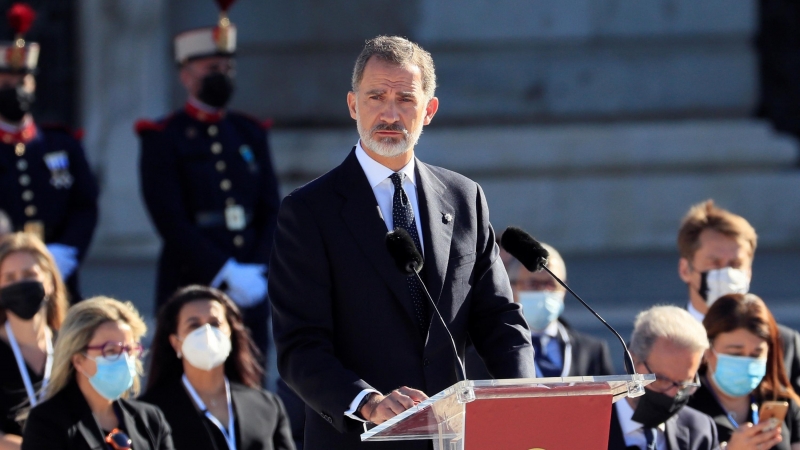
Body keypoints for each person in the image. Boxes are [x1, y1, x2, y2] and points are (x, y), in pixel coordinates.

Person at [269, 35, 535, 450]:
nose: (390, 113)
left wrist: (524, 399)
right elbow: (299, 347)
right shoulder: (309, 212)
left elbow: (498, 318)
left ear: (428, 110)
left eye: (405, 99)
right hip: (360, 438)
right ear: (354, 105)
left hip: (452, 438)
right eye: (376, 96)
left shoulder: (465, 198)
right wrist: (369, 402)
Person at [135, 0, 280, 359]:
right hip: (192, 277)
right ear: (186, 75)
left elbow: (270, 207)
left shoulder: (248, 132)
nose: (222, 74)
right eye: (212, 67)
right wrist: (224, 270)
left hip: (252, 280)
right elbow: (169, 219)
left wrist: (257, 270)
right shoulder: (163, 137)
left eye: (228, 67)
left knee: (252, 375)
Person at [0, 3, 99, 302]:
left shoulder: (62, 144)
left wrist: (66, 252)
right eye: (6, 84)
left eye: (24, 82)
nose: (17, 90)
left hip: (60, 275)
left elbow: (86, 205)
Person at [140, 285, 294, 450]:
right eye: (194, 325)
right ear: (175, 342)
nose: (207, 332)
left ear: (230, 333)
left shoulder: (266, 406)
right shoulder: (149, 413)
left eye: (215, 323)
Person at [677, 200, 800, 395]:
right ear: (686, 269)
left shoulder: (782, 342)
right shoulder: (664, 341)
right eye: (715, 263)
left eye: (736, 264)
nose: (727, 272)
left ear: (748, 271)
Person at [20, 296, 174, 449]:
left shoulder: (150, 420)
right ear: (79, 360)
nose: (125, 359)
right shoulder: (47, 422)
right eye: (111, 351)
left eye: (129, 350)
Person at [466, 242, 615, 379]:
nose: (544, 291)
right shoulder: (482, 354)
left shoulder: (592, 351)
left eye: (551, 284)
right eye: (533, 284)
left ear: (564, 288)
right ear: (512, 287)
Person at [687, 293, 800, 450]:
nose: (746, 362)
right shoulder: (685, 406)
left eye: (756, 354)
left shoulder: (781, 401)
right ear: (707, 350)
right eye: (735, 353)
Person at [608, 305, 719, 450]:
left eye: (684, 384)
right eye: (661, 380)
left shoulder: (699, 431)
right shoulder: (583, 426)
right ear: (631, 362)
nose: (672, 393)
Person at [0, 233, 68, 449]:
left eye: (29, 274)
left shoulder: (72, 346)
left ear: (49, 282)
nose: (20, 284)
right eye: (9, 278)